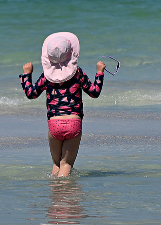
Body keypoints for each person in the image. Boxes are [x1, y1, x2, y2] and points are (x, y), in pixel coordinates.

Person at [20, 32, 105, 177]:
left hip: (54, 124)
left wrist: (27, 74)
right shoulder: (78, 73)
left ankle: (55, 195)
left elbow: (31, 94)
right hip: (73, 123)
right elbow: (94, 92)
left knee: (56, 163)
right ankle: (64, 192)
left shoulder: (46, 77)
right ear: (71, 53)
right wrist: (99, 72)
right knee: (66, 164)